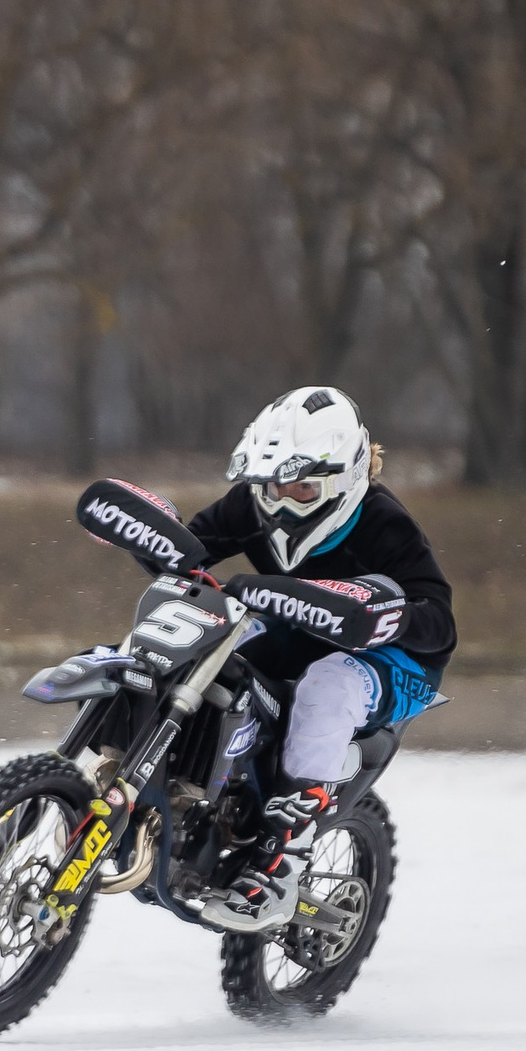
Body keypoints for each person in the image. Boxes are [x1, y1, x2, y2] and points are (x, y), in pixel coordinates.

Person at [183, 386, 457, 932]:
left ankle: (282, 867)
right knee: (209, 643)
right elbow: (192, 548)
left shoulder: (383, 523)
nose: (284, 500)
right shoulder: (251, 504)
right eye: (273, 484)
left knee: (326, 688)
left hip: (391, 659)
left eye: (304, 487)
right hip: (298, 635)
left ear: (344, 478)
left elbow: (440, 624)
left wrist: (389, 617)